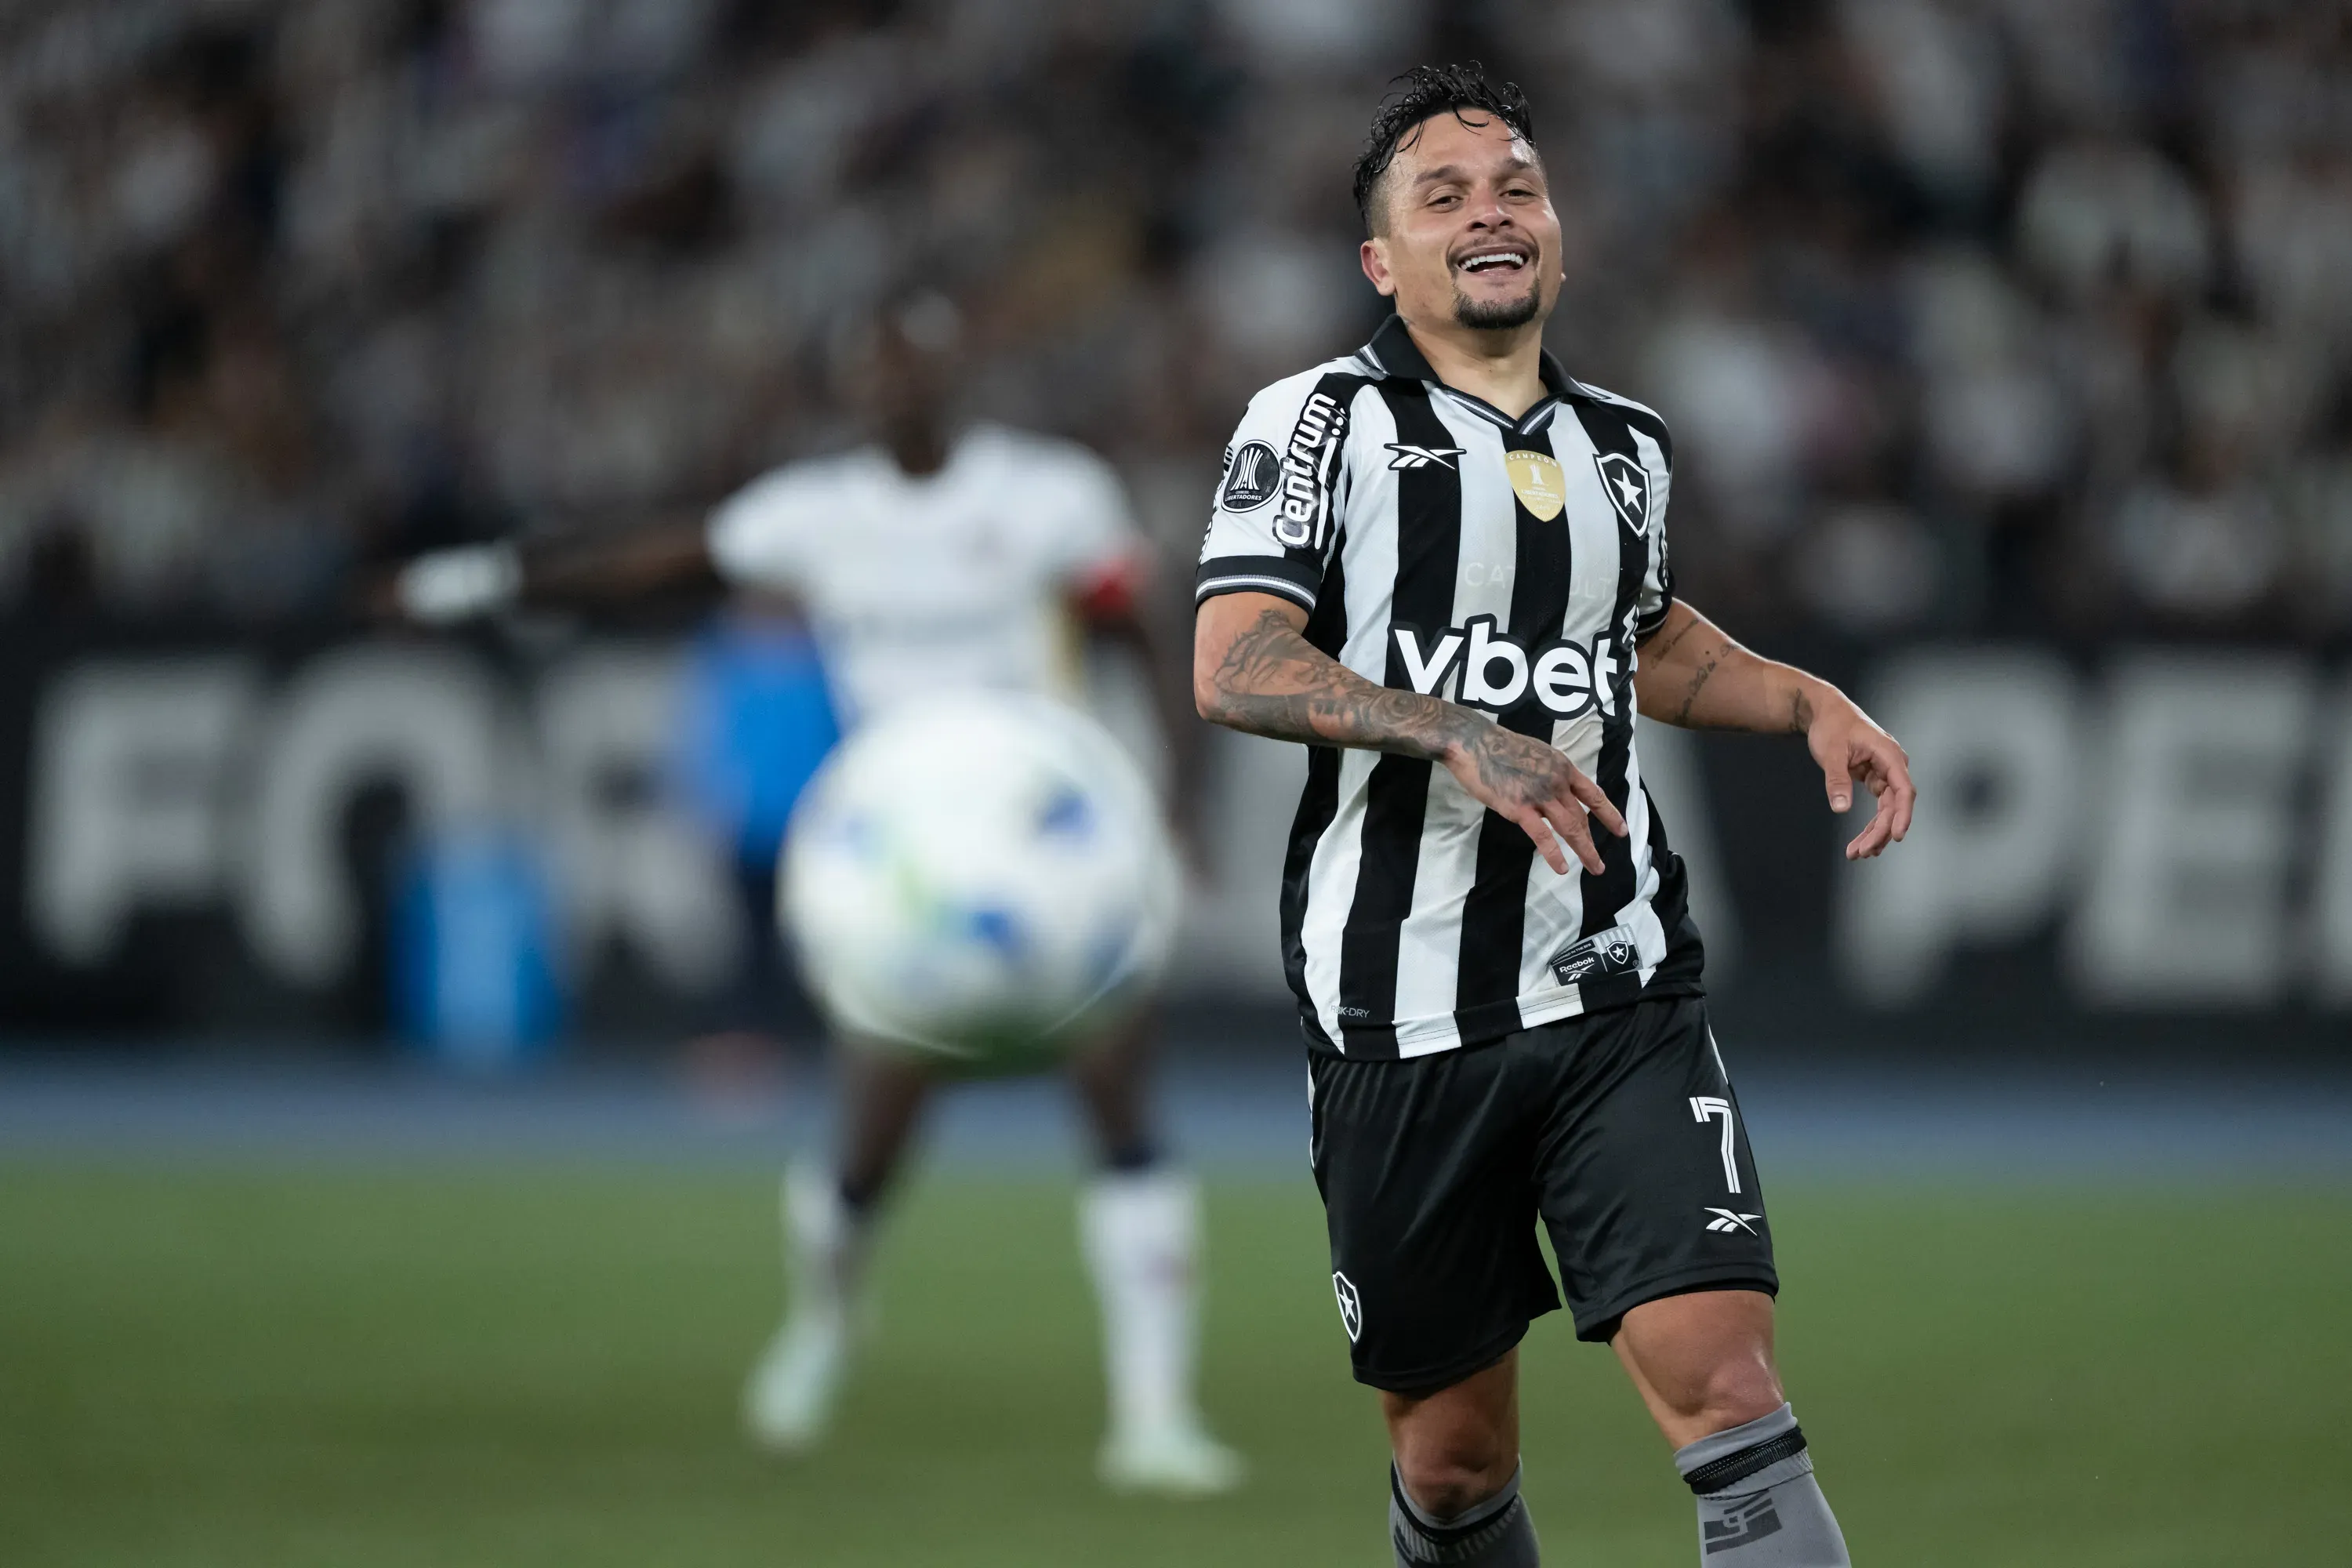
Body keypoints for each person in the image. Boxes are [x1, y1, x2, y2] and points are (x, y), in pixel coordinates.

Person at [1190, 66, 1915, 1566]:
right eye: (1442, 197)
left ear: (1559, 236)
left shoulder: (1627, 448)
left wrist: (1798, 698)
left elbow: (1640, 639)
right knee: (1453, 1468)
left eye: (1515, 185)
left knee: (1730, 1390)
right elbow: (1234, 660)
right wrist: (1459, 733)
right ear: (1383, 264)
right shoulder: (1316, 423)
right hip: (1396, 1019)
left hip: (1615, 983)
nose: (1490, 211)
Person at [393, 290, 1243, 1497]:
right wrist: (467, 585)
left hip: (1047, 849)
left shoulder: (1051, 496)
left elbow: (1148, 629)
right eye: (878, 370)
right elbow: (652, 562)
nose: (897, 387)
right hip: (901, 864)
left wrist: (1178, 796)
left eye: (919, 366)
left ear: (959, 376)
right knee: (869, 1140)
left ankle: (1154, 1416)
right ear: (856, 386)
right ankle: (825, 1325)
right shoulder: (820, 515)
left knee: (1120, 1103)